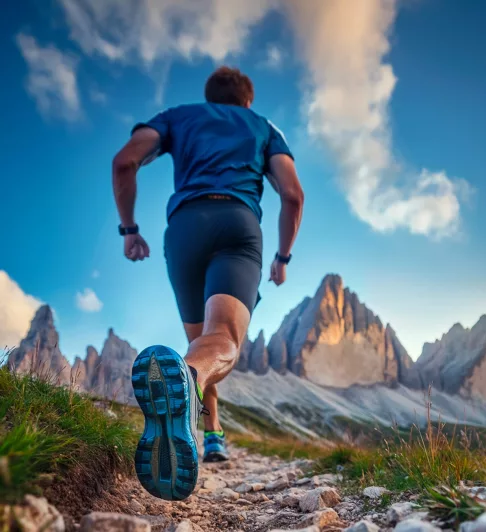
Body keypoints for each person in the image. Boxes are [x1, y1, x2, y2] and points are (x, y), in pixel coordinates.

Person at [112, 66, 304, 500]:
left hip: (184, 229)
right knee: (220, 342)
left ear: (209, 96)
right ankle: (191, 387)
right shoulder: (263, 127)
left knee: (199, 340)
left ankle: (211, 432)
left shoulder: (177, 116)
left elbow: (124, 162)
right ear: (247, 101)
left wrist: (129, 230)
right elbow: (293, 195)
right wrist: (282, 257)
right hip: (237, 226)